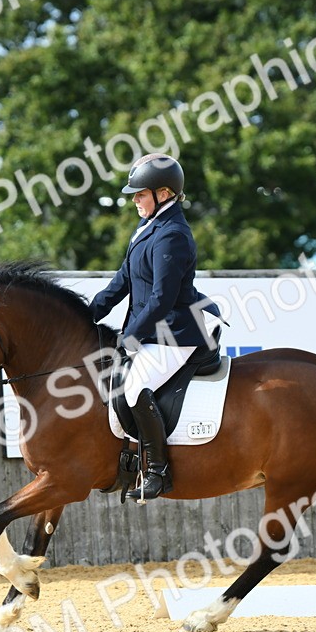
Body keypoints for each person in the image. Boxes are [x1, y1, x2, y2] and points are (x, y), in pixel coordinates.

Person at [89, 153, 221, 501]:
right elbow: (123, 280)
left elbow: (162, 297)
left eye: (140, 194)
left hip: (175, 335)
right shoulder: (148, 228)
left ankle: (158, 472)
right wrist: (90, 313)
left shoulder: (173, 235)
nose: (134, 200)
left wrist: (132, 334)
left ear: (163, 193)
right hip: (154, 332)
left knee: (134, 388)